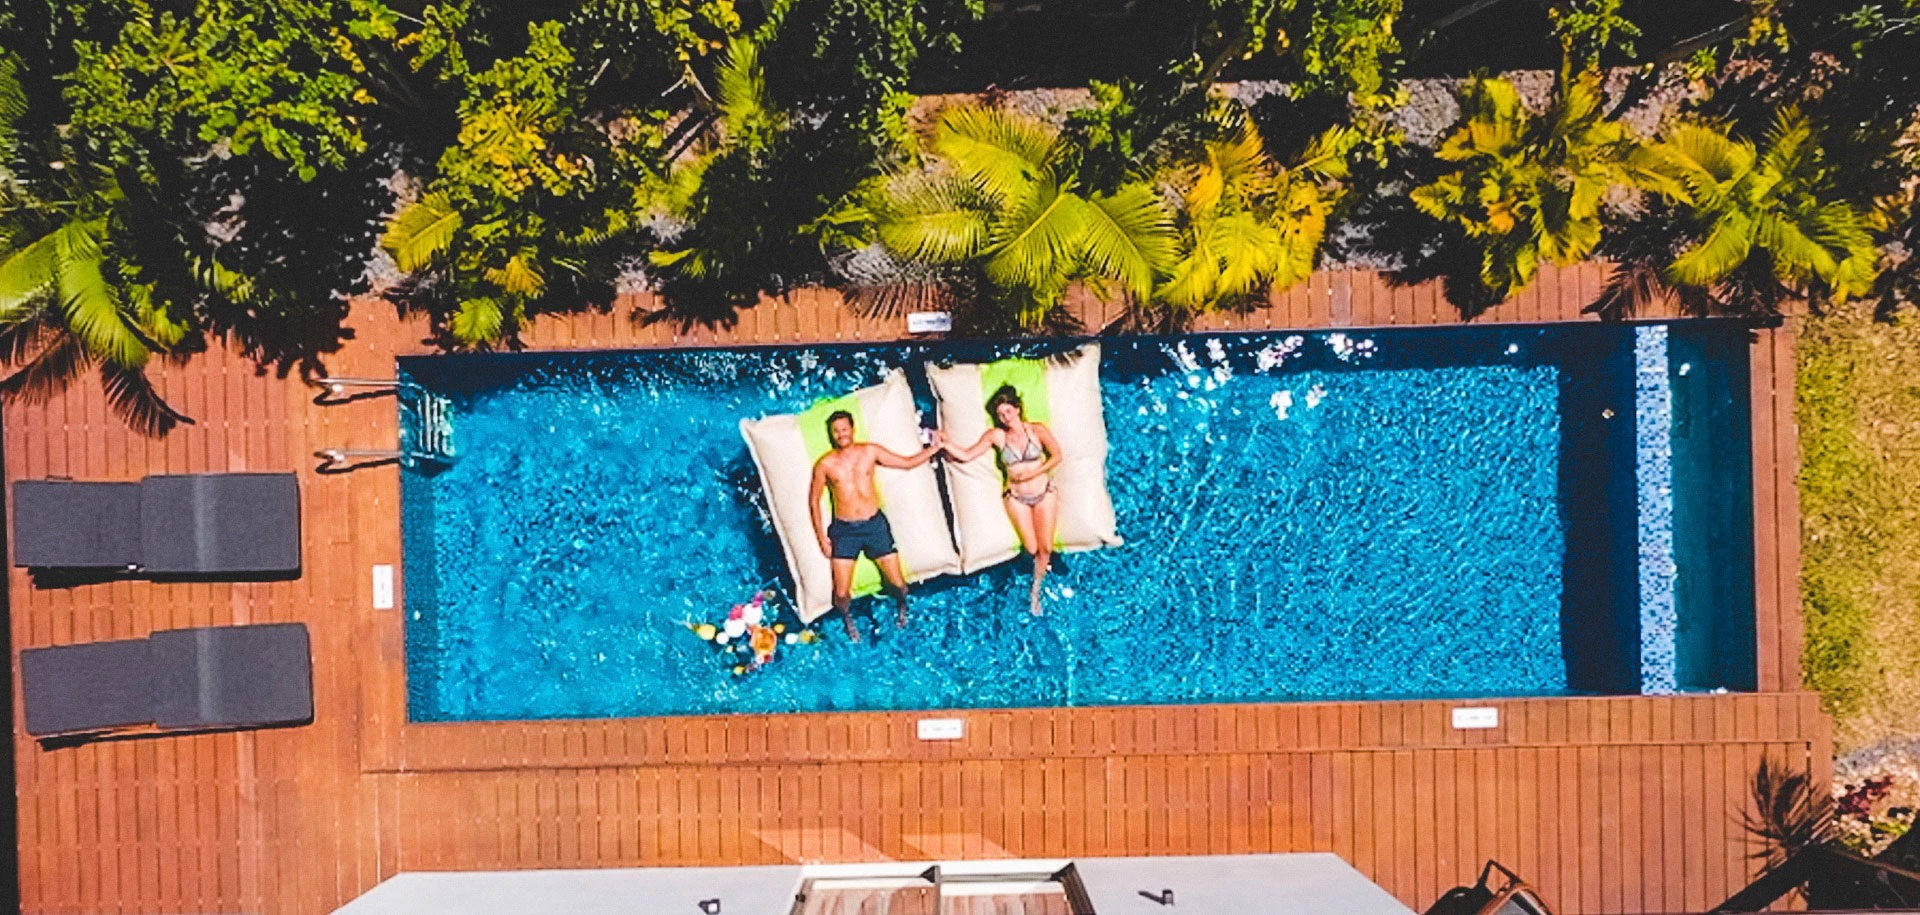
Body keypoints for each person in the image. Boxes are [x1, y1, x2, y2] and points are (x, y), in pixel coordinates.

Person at [808, 410, 939, 641]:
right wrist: (822, 538)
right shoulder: (826, 464)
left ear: (852, 429)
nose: (841, 434)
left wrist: (935, 448)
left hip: (874, 525)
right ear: (831, 434)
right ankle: (848, 618)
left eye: (844, 429)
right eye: (836, 431)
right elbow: (814, 501)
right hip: (844, 530)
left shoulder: (870, 451)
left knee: (899, 584)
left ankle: (901, 605)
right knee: (840, 593)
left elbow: (907, 463)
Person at [940, 384, 1062, 616]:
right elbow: (967, 454)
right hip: (1016, 497)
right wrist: (946, 444)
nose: (1005, 417)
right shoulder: (997, 436)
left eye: (1008, 411)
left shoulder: (1036, 431)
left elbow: (1057, 456)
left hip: (1044, 491)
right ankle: (1034, 570)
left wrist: (1035, 473)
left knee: (1045, 547)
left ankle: (1035, 593)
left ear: (1017, 409)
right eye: (1000, 415)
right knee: (1032, 547)